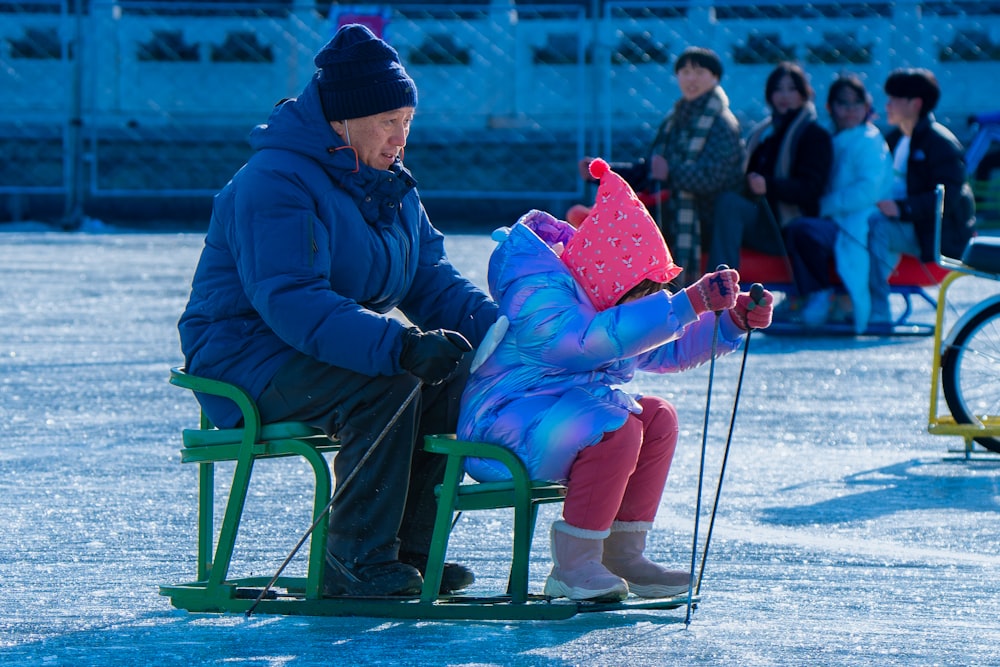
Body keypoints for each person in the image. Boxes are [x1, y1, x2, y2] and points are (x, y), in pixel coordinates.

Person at [177, 24, 498, 598]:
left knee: (448, 371)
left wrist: (506, 331)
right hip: (245, 354)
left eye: (407, 122)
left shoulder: (389, 184)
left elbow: (429, 278)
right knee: (389, 383)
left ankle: (409, 555)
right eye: (386, 123)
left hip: (319, 344)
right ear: (341, 120)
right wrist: (398, 346)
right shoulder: (273, 182)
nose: (400, 138)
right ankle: (354, 561)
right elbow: (292, 299)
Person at [457, 158, 774, 602]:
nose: (644, 305)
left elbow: (660, 345)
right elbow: (585, 342)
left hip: (559, 417)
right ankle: (575, 564)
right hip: (502, 426)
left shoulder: (601, 299)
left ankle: (620, 554)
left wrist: (728, 324)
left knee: (656, 416)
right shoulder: (540, 294)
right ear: (609, 277)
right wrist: (686, 304)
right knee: (615, 427)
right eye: (640, 294)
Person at [570, 46, 745, 285]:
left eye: (699, 71)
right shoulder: (674, 120)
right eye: (684, 71)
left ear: (715, 77)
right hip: (669, 205)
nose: (691, 78)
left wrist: (671, 173)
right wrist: (602, 172)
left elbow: (718, 177)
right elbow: (651, 170)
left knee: (630, 221)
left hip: (705, 215)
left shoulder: (722, 123)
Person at [781, 75, 893, 331]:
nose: (851, 110)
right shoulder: (830, 136)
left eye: (857, 103)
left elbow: (867, 192)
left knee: (803, 230)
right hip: (838, 220)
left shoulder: (869, 141)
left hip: (857, 223)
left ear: (867, 106)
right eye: (843, 103)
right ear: (830, 107)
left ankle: (820, 295)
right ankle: (805, 296)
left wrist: (821, 206)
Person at [867, 68, 976, 329]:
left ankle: (878, 313)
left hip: (932, 234)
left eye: (894, 98)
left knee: (877, 227)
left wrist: (902, 208)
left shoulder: (940, 143)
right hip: (907, 225)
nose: (888, 105)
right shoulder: (893, 139)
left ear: (915, 104)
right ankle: (845, 302)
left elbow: (949, 198)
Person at [709, 61, 833, 273]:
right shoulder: (764, 134)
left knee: (729, 204)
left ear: (804, 94)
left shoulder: (814, 136)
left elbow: (811, 189)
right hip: (760, 221)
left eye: (792, 89)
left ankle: (721, 288)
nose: (784, 95)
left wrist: (769, 185)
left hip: (789, 228)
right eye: (778, 89)